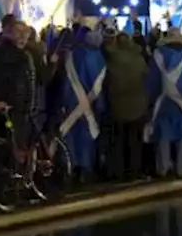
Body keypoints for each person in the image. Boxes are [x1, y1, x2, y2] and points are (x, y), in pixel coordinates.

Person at [146, 27, 182, 178]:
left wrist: (151, 98)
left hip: (163, 99)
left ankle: (163, 169)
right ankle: (181, 168)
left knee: (164, 134)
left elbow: (152, 80)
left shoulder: (158, 54)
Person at [0, 21, 38, 158]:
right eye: (19, 33)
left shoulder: (2, 53)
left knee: (11, 145)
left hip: (12, 107)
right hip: (15, 109)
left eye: (25, 34)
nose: (23, 37)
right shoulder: (14, 56)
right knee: (16, 148)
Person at [59, 26, 107, 181]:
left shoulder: (71, 55)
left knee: (71, 134)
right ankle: (85, 170)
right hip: (90, 103)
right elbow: (98, 84)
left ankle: (71, 167)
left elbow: (66, 80)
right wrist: (100, 104)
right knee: (87, 136)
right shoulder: (98, 57)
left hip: (71, 100)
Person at [103, 31, 149, 181]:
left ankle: (118, 171)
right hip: (138, 106)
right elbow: (146, 77)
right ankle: (134, 170)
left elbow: (107, 82)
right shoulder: (139, 59)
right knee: (135, 141)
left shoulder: (111, 60)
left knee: (118, 141)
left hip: (118, 106)